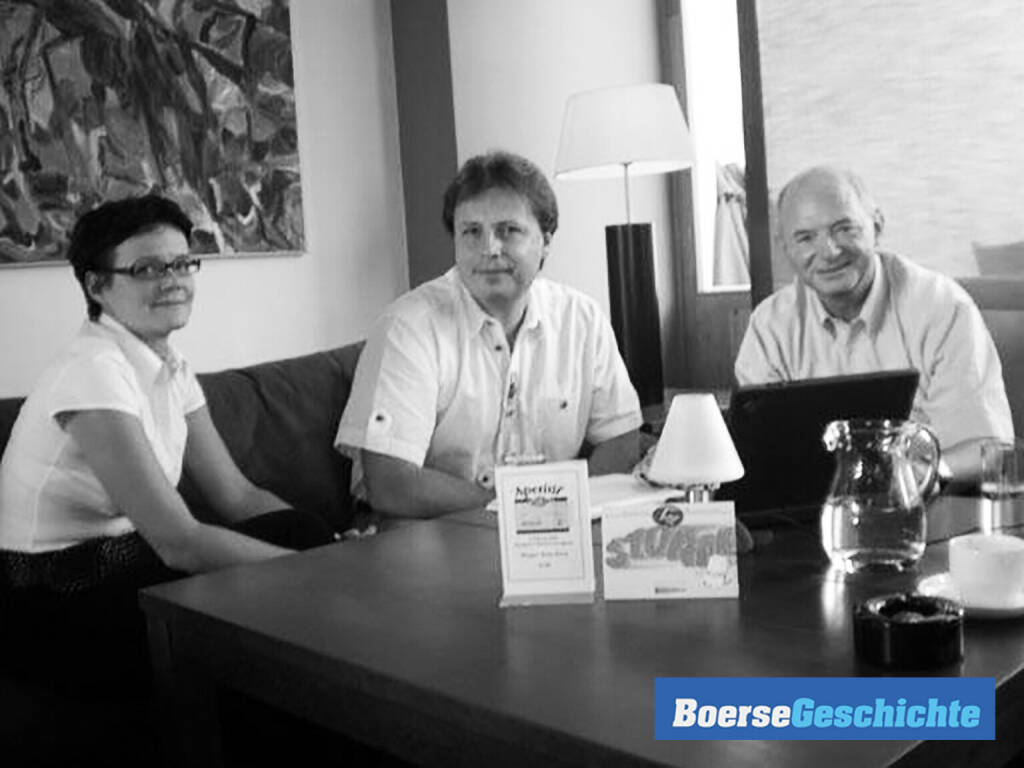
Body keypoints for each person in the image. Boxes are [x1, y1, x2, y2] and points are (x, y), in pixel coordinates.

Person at [0, 195, 336, 693]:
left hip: (125, 558)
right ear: (97, 285)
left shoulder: (171, 368)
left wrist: (334, 556)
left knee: (300, 529)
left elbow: (237, 496)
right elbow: (178, 541)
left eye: (182, 263)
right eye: (148, 268)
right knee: (274, 599)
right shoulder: (91, 370)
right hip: (52, 592)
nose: (173, 280)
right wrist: (308, 574)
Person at [336, 150, 642, 518]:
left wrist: (564, 512)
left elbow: (621, 439)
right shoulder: (408, 327)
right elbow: (392, 484)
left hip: (552, 530)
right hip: (425, 529)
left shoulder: (583, 319)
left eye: (508, 230)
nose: (489, 249)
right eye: (472, 232)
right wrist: (519, 513)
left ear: (546, 240)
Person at [734, 165, 1013, 483]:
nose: (829, 251)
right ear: (784, 247)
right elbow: (762, 452)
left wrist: (919, 478)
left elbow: (987, 450)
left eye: (844, 229)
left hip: (927, 498)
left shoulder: (941, 307)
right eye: (805, 238)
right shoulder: (770, 326)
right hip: (810, 504)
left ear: (877, 226)